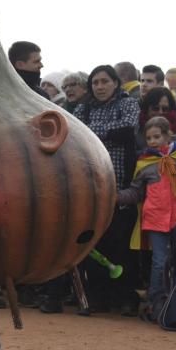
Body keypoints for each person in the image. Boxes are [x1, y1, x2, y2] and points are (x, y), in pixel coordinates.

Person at [117, 116, 176, 321]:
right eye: (149, 138)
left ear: (169, 135)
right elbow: (136, 192)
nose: (152, 141)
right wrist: (115, 196)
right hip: (156, 219)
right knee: (160, 262)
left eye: (157, 136)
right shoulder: (144, 162)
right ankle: (156, 301)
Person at [74, 65, 141, 315]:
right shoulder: (83, 108)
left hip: (121, 186)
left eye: (105, 81)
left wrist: (91, 134)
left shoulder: (128, 103)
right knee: (95, 245)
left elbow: (128, 130)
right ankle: (98, 296)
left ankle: (125, 297)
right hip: (90, 187)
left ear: (116, 83)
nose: (99, 87)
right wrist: (105, 134)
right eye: (95, 82)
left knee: (120, 244)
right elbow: (75, 136)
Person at [137, 86, 176, 157]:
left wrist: (173, 151)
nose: (160, 112)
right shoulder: (138, 127)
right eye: (155, 108)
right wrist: (150, 152)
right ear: (147, 109)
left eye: (165, 109)